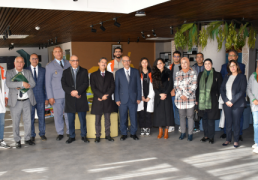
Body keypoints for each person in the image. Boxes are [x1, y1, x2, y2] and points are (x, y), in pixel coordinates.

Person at [6, 56, 36, 149]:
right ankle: (17, 140)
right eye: (17, 62)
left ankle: (27, 139)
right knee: (16, 122)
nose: (19, 64)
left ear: (24, 63)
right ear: (14, 63)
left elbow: (33, 83)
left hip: (27, 101)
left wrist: (21, 86)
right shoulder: (9, 72)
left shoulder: (27, 72)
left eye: (21, 62)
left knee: (28, 121)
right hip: (15, 102)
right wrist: (22, 83)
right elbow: (9, 84)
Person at [61, 55, 89, 144]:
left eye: (77, 60)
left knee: (82, 119)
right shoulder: (65, 72)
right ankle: (72, 136)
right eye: (73, 60)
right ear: (70, 62)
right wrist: (72, 92)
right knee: (70, 120)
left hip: (81, 99)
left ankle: (84, 135)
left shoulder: (84, 71)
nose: (75, 62)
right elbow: (64, 85)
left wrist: (78, 92)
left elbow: (86, 84)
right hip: (70, 99)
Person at [45, 46, 71, 141]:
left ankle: (69, 131)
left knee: (69, 114)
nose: (58, 53)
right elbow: (47, 83)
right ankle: (60, 133)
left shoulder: (68, 63)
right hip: (56, 96)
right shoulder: (49, 66)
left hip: (68, 94)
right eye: (56, 52)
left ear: (62, 52)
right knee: (58, 115)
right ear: (53, 53)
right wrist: (50, 97)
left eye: (59, 51)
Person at [220, 49, 246, 141]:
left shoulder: (241, 66)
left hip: (237, 98)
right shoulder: (224, 67)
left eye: (233, 55)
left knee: (238, 119)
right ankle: (227, 134)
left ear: (237, 57)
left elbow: (241, 85)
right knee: (228, 118)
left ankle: (238, 134)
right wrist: (226, 100)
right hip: (227, 95)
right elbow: (221, 81)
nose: (230, 57)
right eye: (229, 55)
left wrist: (232, 100)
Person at [196, 58, 222, 144]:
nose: (207, 65)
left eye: (209, 64)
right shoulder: (200, 74)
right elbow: (198, 89)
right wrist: (197, 100)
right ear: (204, 65)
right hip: (202, 101)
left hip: (212, 101)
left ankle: (211, 137)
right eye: (206, 64)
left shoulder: (217, 75)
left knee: (211, 120)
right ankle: (205, 135)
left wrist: (218, 100)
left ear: (212, 65)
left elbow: (220, 89)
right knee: (204, 119)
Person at [115, 55, 141, 141]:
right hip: (122, 100)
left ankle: (133, 133)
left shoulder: (136, 71)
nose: (126, 62)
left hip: (133, 99)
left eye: (128, 61)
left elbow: (138, 86)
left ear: (130, 62)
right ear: (122, 62)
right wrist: (117, 99)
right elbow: (117, 87)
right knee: (123, 117)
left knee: (133, 117)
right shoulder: (118, 72)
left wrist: (139, 97)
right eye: (124, 61)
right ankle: (124, 133)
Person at [90, 57, 116, 143]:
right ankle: (97, 136)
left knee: (107, 120)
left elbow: (112, 87)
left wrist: (106, 96)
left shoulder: (110, 74)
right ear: (98, 63)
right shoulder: (93, 75)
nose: (103, 64)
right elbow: (93, 88)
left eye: (105, 63)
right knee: (97, 120)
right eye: (102, 62)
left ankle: (108, 135)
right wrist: (101, 96)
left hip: (107, 100)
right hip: (98, 100)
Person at [25, 53, 48, 142]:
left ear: (38, 60)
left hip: (41, 97)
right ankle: (32, 135)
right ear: (30, 60)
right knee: (30, 117)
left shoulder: (43, 70)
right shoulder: (25, 70)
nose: (35, 60)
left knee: (41, 116)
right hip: (29, 97)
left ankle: (42, 134)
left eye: (36, 59)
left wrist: (46, 97)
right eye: (33, 59)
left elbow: (46, 85)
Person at [174, 57, 197, 141]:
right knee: (182, 117)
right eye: (182, 63)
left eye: (185, 62)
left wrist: (186, 95)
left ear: (188, 63)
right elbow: (176, 86)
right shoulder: (178, 73)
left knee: (190, 117)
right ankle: (183, 133)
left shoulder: (193, 73)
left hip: (190, 99)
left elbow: (194, 86)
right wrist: (181, 95)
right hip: (180, 99)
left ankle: (190, 134)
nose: (184, 64)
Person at [152, 58, 174, 139]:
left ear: (164, 64)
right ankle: (160, 131)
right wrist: (159, 94)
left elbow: (171, 84)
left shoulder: (168, 72)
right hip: (158, 97)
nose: (159, 65)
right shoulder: (155, 73)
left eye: (160, 63)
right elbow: (154, 87)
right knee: (159, 114)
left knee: (167, 114)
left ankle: (166, 132)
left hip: (166, 96)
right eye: (157, 64)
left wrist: (165, 94)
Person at [137, 57, 154, 136]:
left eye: (146, 62)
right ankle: (142, 127)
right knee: (141, 113)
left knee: (148, 113)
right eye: (143, 62)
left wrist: (149, 97)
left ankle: (148, 127)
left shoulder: (151, 73)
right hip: (141, 96)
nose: (144, 64)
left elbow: (154, 86)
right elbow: (136, 86)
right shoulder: (138, 73)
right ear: (141, 63)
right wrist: (141, 96)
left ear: (148, 63)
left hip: (149, 96)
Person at [246, 61, 258, 153]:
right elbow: (248, 89)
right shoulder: (252, 76)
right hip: (255, 105)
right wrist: (253, 99)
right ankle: (256, 142)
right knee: (256, 124)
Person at [191, 52, 205, 134]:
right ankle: (196, 126)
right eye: (197, 57)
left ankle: (204, 126)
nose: (199, 58)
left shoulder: (206, 67)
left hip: (204, 91)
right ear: (196, 59)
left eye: (201, 57)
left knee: (204, 108)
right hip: (195, 90)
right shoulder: (192, 68)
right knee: (196, 109)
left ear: (203, 58)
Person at [168, 51, 181, 132]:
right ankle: (171, 125)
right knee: (171, 109)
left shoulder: (182, 66)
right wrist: (170, 90)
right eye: (175, 56)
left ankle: (180, 125)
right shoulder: (170, 67)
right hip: (171, 91)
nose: (176, 58)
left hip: (180, 91)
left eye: (178, 56)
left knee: (179, 109)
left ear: (180, 57)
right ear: (172, 57)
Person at [0, 65, 10, 149]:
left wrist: (6, 97)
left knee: (1, 122)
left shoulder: (2, 70)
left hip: (1, 101)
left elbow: (6, 85)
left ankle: (1, 140)